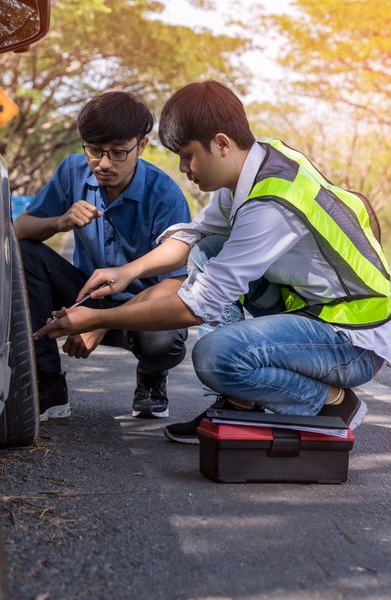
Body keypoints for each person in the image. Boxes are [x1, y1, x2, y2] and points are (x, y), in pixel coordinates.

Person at [34, 80, 391, 444]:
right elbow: (193, 235)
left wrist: (97, 319)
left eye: (188, 155)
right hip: (312, 313)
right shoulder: (258, 164)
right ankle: (238, 405)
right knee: (209, 248)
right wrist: (128, 272)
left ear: (221, 143)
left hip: (351, 339)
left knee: (215, 358)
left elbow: (196, 306)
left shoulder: (269, 205)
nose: (184, 167)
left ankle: (331, 402)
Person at [15, 91, 192, 421]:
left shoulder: (165, 194)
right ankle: (48, 385)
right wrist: (60, 221)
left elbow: (178, 283)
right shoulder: (73, 170)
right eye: (94, 150)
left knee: (164, 342)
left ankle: (152, 379)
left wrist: (99, 323)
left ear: (141, 145)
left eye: (118, 152)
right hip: (88, 295)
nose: (104, 163)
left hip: (144, 308)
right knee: (26, 255)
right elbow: (20, 229)